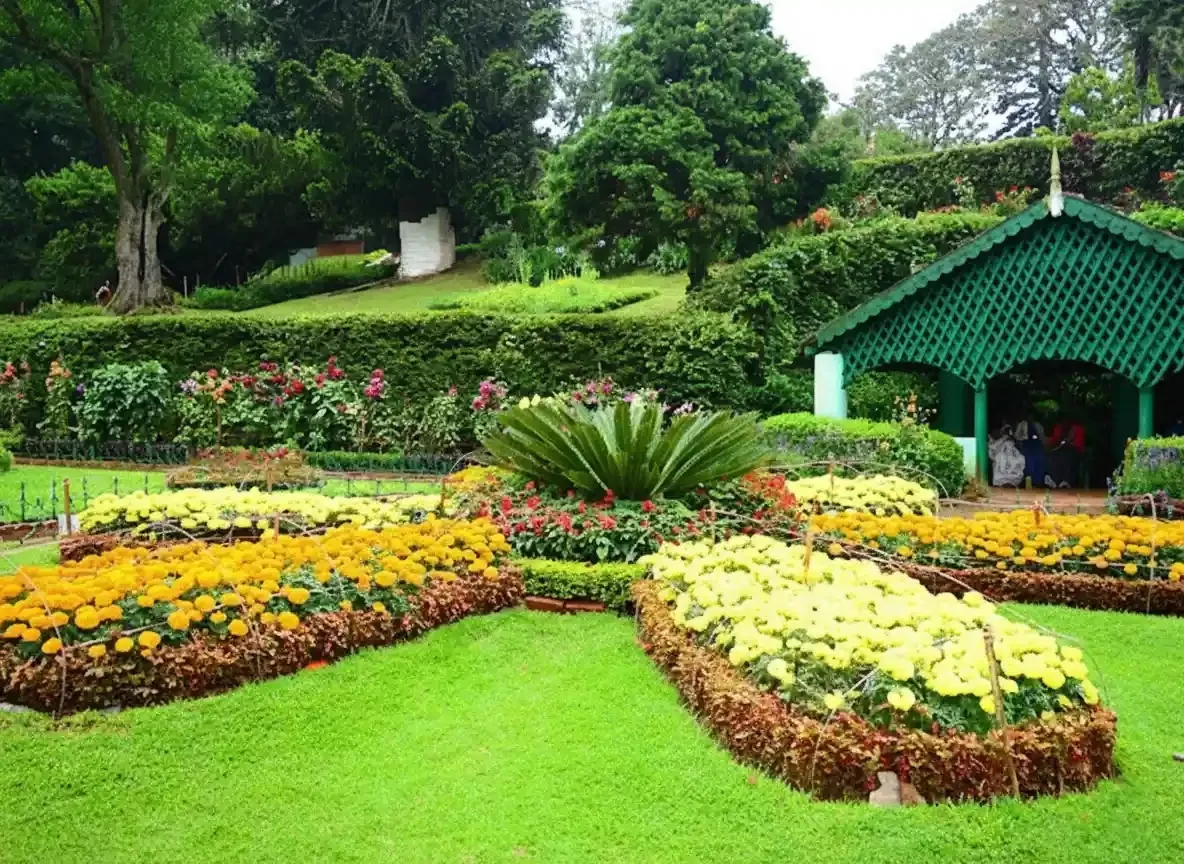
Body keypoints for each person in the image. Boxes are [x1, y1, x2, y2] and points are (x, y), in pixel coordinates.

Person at [1047, 417, 1086, 488]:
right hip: (1074, 449)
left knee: (1065, 457)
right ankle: (1057, 480)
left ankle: (1065, 480)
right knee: (1056, 456)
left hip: (1075, 450)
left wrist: (1064, 442)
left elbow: (1069, 439)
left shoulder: (1075, 428)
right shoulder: (1080, 428)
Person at [989, 421, 1025, 487]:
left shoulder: (1009, 440)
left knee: (1019, 459)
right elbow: (993, 450)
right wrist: (1004, 439)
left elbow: (1015, 449)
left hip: (1010, 458)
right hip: (1000, 458)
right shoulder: (994, 442)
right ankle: (1002, 481)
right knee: (1001, 458)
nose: (998, 433)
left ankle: (1011, 481)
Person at [1014, 412, 1046, 487]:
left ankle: (1038, 482)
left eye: (1032, 416)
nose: (1031, 418)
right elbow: (1016, 436)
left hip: (1037, 444)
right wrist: (1023, 439)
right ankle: (1028, 481)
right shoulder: (1022, 424)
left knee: (1039, 458)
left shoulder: (1038, 425)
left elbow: (1042, 437)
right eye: (1029, 416)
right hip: (1026, 444)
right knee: (1029, 459)